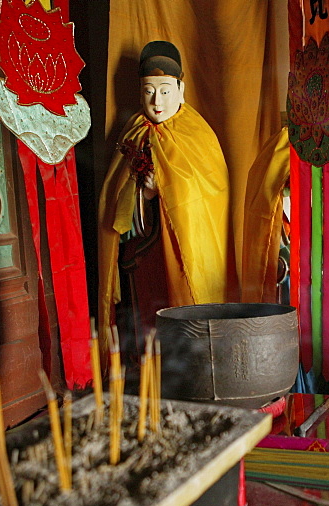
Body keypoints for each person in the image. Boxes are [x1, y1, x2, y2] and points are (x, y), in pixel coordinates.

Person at [98, 40, 230, 358]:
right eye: (148, 91)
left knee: (186, 320)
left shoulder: (197, 134)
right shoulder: (132, 131)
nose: (157, 101)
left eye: (166, 91)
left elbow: (210, 195)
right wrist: (141, 193)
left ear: (181, 90)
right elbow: (112, 204)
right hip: (143, 254)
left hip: (184, 253)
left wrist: (167, 185)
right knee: (149, 328)